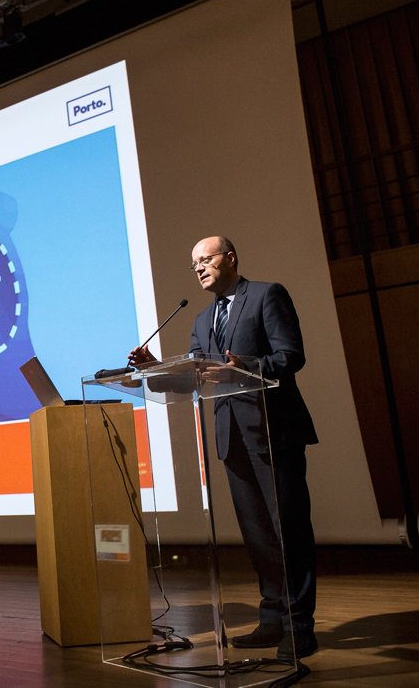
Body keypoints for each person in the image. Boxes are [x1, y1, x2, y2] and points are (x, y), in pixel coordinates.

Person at [128, 235, 318, 660]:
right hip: (232, 438)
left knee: (288, 531)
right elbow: (193, 377)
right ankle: (272, 620)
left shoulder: (267, 295)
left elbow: (291, 356)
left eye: (206, 259)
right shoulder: (202, 320)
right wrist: (154, 367)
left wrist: (246, 366)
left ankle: (299, 627)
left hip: (273, 431)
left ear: (230, 258)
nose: (198, 267)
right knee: (258, 536)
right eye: (194, 263)